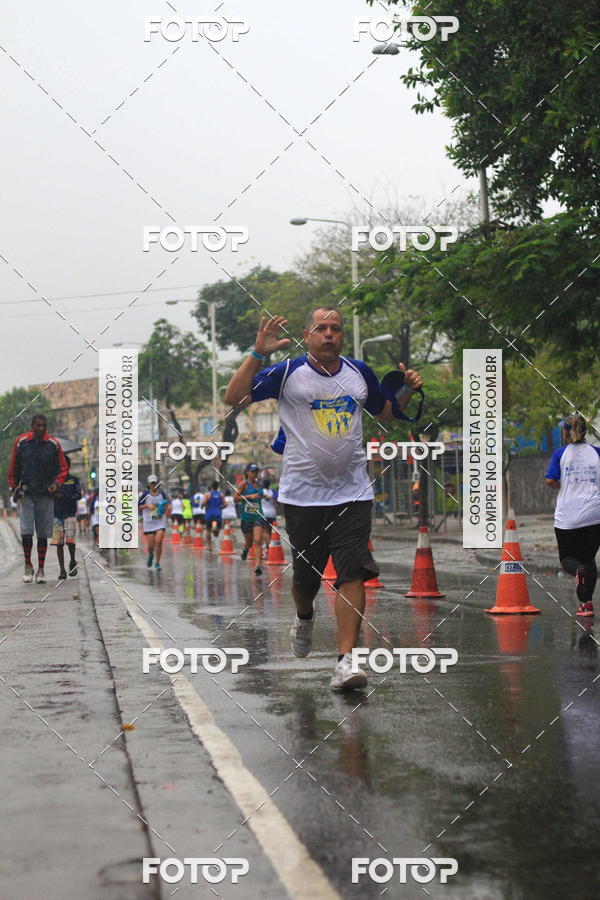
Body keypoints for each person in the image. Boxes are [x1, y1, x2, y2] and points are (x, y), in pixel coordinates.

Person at [225, 309, 424, 689]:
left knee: (353, 572)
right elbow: (233, 398)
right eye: (321, 329)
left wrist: (407, 389)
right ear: (307, 335)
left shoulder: (359, 372)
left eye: (335, 329)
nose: (328, 335)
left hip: (353, 492)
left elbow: (385, 413)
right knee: (306, 579)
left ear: (341, 336)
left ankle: (346, 661)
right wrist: (257, 352)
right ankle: (304, 618)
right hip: (302, 497)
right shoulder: (286, 373)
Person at [545, 414, 600, 617]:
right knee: (588, 559)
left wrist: (562, 485)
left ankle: (578, 572)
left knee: (568, 558)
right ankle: (586, 605)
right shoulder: (597, 452)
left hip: (568, 515)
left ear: (567, 432)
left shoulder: (560, 454)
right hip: (595, 515)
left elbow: (550, 480)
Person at [8, 413, 68, 583]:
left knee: (43, 534)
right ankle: (28, 565)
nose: (41, 428)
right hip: (26, 494)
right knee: (26, 532)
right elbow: (14, 468)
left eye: (44, 426)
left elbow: (62, 469)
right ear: (32, 427)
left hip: (46, 494)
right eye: (38, 425)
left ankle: (41, 569)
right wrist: (14, 487)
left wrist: (56, 484)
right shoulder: (21, 442)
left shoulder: (53, 444)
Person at [51, 455, 82, 579]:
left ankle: (73, 561)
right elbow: (48, 494)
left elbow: (78, 495)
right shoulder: (53, 480)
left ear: (68, 466)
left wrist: (64, 497)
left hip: (70, 514)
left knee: (70, 541)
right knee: (59, 543)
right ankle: (62, 570)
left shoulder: (74, 480)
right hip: (56, 515)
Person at [234, 464, 265, 575]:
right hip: (246, 517)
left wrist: (264, 497)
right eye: (252, 471)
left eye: (256, 471)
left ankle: (258, 566)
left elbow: (260, 496)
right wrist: (248, 497)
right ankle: (246, 549)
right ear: (247, 472)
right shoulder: (244, 484)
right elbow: (235, 498)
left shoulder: (259, 484)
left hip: (258, 516)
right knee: (250, 542)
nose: (255, 474)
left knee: (258, 541)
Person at [138, 475, 168, 571]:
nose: (153, 485)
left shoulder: (162, 494)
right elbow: (139, 506)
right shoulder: (145, 494)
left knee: (158, 542)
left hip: (160, 521)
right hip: (149, 522)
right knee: (151, 546)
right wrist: (147, 506)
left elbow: (166, 503)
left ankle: (157, 563)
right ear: (149, 484)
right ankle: (151, 555)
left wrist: (163, 507)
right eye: (152, 483)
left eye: (155, 483)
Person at [203, 480, 225, 550]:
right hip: (218, 514)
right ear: (218, 487)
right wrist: (220, 507)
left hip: (209, 514)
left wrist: (202, 505)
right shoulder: (221, 495)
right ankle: (215, 529)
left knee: (208, 530)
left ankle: (209, 546)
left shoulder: (208, 494)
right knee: (216, 534)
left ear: (212, 486)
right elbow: (225, 504)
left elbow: (203, 503)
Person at [261, 478, 278, 559]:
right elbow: (277, 501)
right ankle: (268, 547)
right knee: (270, 532)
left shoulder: (260, 491)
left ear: (263, 484)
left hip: (264, 513)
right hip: (273, 513)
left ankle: (269, 548)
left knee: (264, 532)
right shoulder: (273, 491)